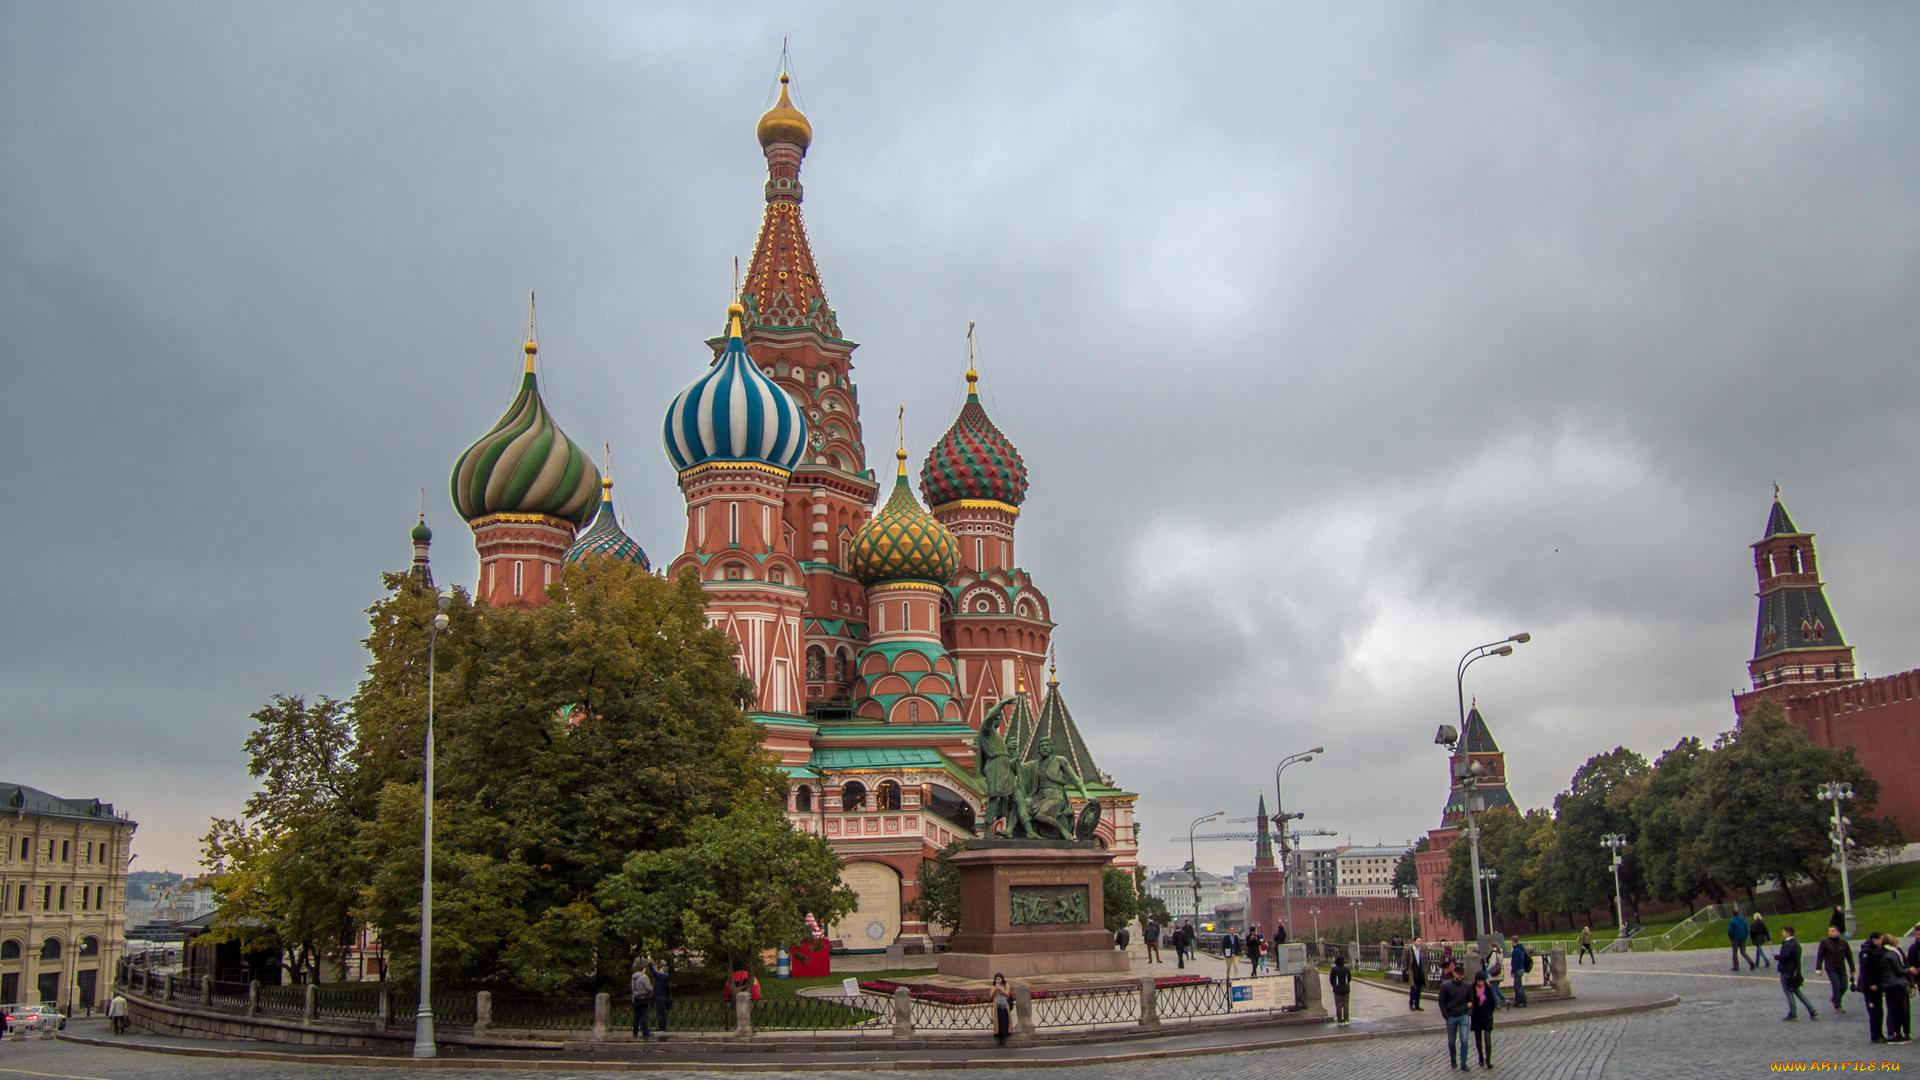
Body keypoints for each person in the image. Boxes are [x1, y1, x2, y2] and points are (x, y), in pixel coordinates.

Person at [1437, 963, 1474, 1070]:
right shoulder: (1446, 986)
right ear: (1454, 973)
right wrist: (1446, 1015)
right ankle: (1453, 1060)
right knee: (1451, 1042)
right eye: (1458, 974)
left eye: (1462, 974)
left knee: (1464, 1040)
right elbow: (1441, 1001)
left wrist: (1469, 1012)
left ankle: (1463, 1063)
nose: (1460, 976)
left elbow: (1472, 1000)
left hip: (1463, 1016)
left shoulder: (1467, 986)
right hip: (1451, 1016)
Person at [1777, 925, 1818, 1021]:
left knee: (1788, 992)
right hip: (1795, 972)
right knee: (1797, 991)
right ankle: (1811, 1009)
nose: (1782, 934)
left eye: (1783, 932)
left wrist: (1777, 957)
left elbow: (1785, 957)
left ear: (1787, 933)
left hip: (1786, 971)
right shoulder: (1796, 944)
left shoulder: (1787, 945)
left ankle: (1793, 1013)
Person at [1880, 930, 1913, 1043]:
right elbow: (1899, 970)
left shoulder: (1884, 953)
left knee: (1892, 1010)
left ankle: (1893, 1032)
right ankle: (1896, 1033)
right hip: (1896, 984)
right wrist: (1910, 971)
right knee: (1900, 1010)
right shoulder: (1893, 954)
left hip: (1889, 985)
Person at [1817, 925, 1855, 1014]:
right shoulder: (1825, 942)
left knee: (1844, 986)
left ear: (1838, 932)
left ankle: (1835, 998)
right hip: (1830, 968)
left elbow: (1849, 956)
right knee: (1836, 985)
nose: (1830, 933)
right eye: (1829, 931)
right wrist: (1818, 968)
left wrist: (1852, 968)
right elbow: (1820, 955)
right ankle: (1838, 1005)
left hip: (1841, 968)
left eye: (1833, 931)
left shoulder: (1844, 943)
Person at [1860, 931, 1890, 1043]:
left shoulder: (1874, 950)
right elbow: (1865, 970)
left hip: (1876, 986)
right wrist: (1871, 983)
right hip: (1869, 987)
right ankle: (1875, 1035)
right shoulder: (1866, 952)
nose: (1882, 942)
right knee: (1874, 1011)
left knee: (1879, 1010)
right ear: (1875, 939)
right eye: (1881, 939)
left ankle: (1879, 1034)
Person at [1469, 969, 1497, 1068]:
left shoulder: (1488, 989)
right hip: (1476, 1017)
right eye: (1478, 981)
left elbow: (1493, 1002)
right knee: (1478, 1041)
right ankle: (1480, 1056)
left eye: (1482, 980)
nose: (1480, 983)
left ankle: (1488, 1059)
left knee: (1487, 1039)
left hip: (1487, 1016)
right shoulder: (1472, 989)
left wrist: (1490, 1012)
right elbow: (1469, 1001)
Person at [630, 962, 654, 1040]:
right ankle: (645, 1033)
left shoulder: (634, 977)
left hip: (636, 998)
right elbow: (649, 988)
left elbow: (632, 988)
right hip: (643, 998)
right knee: (644, 1016)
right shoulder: (644, 977)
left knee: (636, 1016)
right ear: (644, 969)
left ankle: (635, 1032)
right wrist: (651, 991)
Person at [1329, 952, 1353, 1024]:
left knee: (1338, 1005)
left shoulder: (1334, 969)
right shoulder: (1346, 969)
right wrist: (1346, 984)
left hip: (1337, 989)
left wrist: (1334, 986)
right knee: (1346, 1005)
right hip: (1346, 989)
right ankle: (1346, 1019)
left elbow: (1331, 979)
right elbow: (1349, 978)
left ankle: (1339, 1019)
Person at [650, 960, 671, 1037]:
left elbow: (654, 971)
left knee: (661, 1013)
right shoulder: (663, 976)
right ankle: (662, 1027)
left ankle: (663, 1027)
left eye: (661, 968)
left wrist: (650, 963)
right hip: (663, 997)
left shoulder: (663, 976)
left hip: (661, 997)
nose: (660, 969)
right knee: (661, 1012)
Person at [990, 973, 1012, 1047]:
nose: (998, 980)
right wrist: (995, 989)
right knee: (998, 1021)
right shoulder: (993, 986)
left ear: (1002, 979)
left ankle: (1004, 1037)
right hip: (997, 1006)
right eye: (996, 979)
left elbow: (1007, 994)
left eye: (999, 978)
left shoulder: (1006, 985)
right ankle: (999, 1037)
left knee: (1004, 1021)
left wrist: (1000, 988)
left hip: (1005, 1005)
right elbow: (991, 996)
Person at [1510, 936, 1532, 1008]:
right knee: (1519, 986)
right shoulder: (1521, 949)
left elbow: (1515, 962)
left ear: (1513, 941)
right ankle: (1521, 1001)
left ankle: (1520, 1002)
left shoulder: (1516, 950)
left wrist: (1512, 971)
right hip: (1522, 968)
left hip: (1518, 969)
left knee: (1517, 986)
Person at [1408, 937, 1428, 1011]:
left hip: (1420, 972)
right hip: (1413, 972)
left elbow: (1426, 960)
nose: (1419, 943)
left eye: (1420, 941)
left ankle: (1417, 1004)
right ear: (1414, 942)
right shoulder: (1409, 950)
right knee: (1414, 989)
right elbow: (1405, 960)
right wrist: (1406, 969)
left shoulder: (1422, 950)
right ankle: (1411, 1004)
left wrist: (1426, 969)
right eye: (1418, 941)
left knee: (1419, 990)